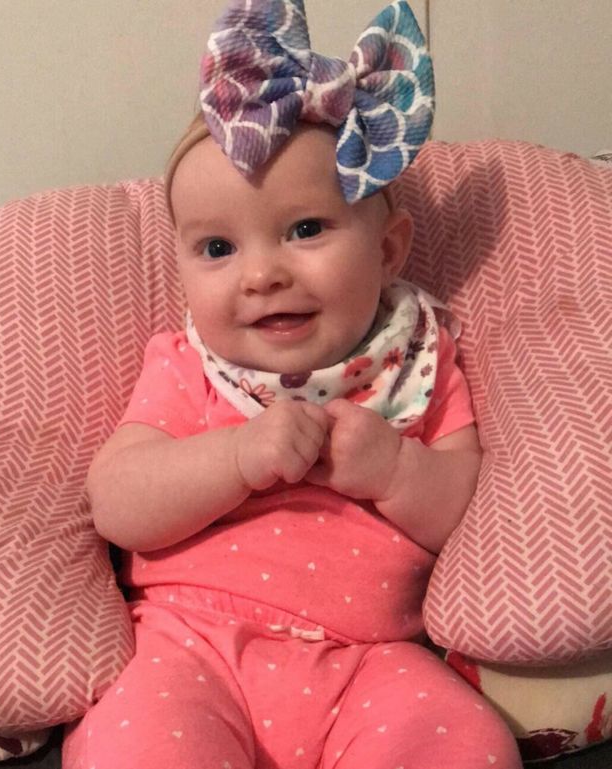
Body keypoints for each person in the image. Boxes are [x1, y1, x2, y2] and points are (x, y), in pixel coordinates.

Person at [63, 1, 522, 767]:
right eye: (217, 247)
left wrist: (395, 468)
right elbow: (117, 503)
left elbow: (464, 514)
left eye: (306, 229)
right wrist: (238, 455)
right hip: (190, 647)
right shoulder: (187, 362)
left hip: (371, 656)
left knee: (467, 742)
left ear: (388, 250)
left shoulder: (418, 359)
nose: (262, 274)